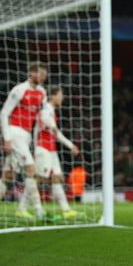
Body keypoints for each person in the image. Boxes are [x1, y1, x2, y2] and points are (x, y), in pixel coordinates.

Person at [0, 63, 60, 227]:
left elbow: (44, 113)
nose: (44, 77)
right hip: (15, 133)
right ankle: (40, 212)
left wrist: (51, 125)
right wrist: (7, 138)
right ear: (31, 73)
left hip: (27, 136)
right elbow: (4, 113)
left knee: (8, 176)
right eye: (41, 74)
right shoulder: (19, 90)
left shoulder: (42, 92)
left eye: (45, 74)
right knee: (30, 169)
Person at [29, 86, 82, 218]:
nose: (62, 98)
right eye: (60, 95)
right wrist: (71, 145)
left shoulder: (50, 110)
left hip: (51, 149)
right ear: (53, 96)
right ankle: (23, 208)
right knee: (39, 179)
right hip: (43, 148)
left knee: (57, 178)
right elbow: (54, 132)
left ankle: (66, 210)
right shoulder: (46, 109)